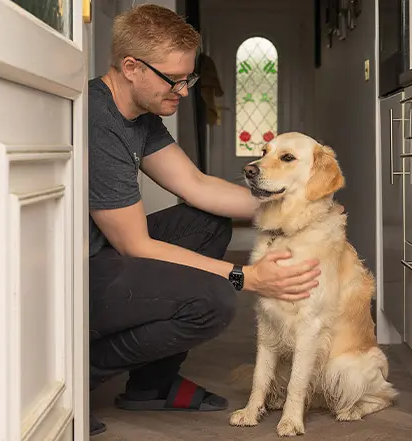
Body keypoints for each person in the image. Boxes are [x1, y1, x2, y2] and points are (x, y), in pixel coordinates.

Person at [87, 4, 324, 436]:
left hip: (107, 253)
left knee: (208, 222)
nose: (183, 89)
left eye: (187, 78)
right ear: (131, 67)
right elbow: (135, 246)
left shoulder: (140, 114)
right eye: (174, 79)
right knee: (213, 302)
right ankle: (78, 376)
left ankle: (151, 385)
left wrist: (299, 205)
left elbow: (196, 185)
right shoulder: (98, 122)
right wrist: (244, 276)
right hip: (77, 272)